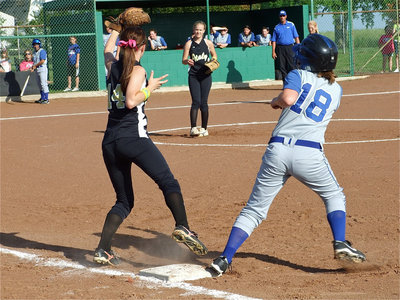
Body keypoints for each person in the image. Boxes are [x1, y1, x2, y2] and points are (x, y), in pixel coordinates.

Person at [209, 34, 366, 277]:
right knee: (334, 195)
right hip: (309, 154)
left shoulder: (296, 75)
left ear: (308, 59)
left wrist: (275, 101)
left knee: (254, 210)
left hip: (278, 151)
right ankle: (340, 242)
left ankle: (224, 258)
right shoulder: (337, 90)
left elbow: (289, 98)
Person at [93, 26, 208, 266]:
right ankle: (183, 227)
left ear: (122, 46)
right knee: (168, 182)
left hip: (110, 141)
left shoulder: (113, 66)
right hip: (133, 138)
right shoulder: (137, 69)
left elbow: (106, 50)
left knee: (124, 201)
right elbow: (131, 101)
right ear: (142, 48)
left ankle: (103, 249)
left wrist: (116, 29)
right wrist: (150, 88)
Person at [182, 21, 217, 137]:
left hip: (206, 75)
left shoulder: (208, 43)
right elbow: (183, 60)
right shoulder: (188, 44)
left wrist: (213, 62)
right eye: (197, 29)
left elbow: (214, 55)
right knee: (196, 102)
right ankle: (193, 128)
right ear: (194, 30)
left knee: (204, 103)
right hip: (193, 75)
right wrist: (187, 61)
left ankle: (204, 128)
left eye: (201, 29)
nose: (198, 31)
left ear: (204, 31)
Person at [271, 10, 300, 82]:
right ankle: (285, 83)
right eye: (281, 16)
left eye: (283, 16)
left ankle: (293, 82)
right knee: (282, 66)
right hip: (280, 48)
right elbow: (274, 40)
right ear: (279, 17)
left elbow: (296, 37)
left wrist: (299, 47)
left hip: (290, 47)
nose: (282, 17)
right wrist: (273, 51)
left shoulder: (291, 25)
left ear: (286, 16)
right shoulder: (276, 27)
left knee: (292, 65)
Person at [31, 39, 49, 104]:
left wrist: (35, 66)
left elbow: (42, 61)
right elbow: (34, 61)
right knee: (39, 85)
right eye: (34, 45)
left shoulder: (42, 51)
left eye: (37, 44)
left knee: (43, 84)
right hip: (37, 70)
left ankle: (46, 99)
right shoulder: (34, 53)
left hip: (42, 69)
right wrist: (33, 67)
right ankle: (42, 98)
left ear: (39, 45)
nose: (35, 46)